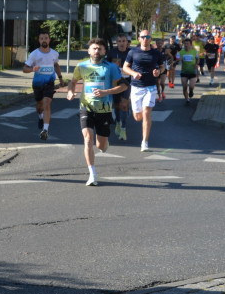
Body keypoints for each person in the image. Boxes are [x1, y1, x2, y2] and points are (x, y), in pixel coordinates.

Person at [67, 38, 128, 186]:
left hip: (105, 110)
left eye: (100, 49)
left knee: (101, 145)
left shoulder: (111, 67)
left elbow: (124, 86)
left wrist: (105, 92)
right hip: (86, 107)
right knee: (87, 139)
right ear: (88, 50)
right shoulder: (81, 66)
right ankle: (92, 174)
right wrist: (70, 92)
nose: (96, 51)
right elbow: (73, 82)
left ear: (104, 52)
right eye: (94, 48)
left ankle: (104, 144)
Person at [122, 29, 166, 152]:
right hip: (136, 86)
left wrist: (159, 71)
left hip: (150, 87)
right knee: (137, 117)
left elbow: (162, 67)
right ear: (139, 38)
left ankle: (144, 142)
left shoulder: (156, 53)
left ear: (150, 38)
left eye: (147, 37)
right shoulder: (133, 52)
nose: (145, 39)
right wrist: (133, 73)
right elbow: (125, 67)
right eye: (143, 37)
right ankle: (135, 111)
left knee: (146, 113)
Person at [22, 29, 65, 140]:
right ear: (39, 40)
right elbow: (24, 69)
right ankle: (40, 117)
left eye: (46, 38)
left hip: (49, 83)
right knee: (39, 106)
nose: (44, 40)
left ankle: (45, 129)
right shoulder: (34, 54)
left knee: (47, 104)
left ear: (49, 40)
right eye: (42, 38)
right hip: (37, 83)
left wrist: (60, 78)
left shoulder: (54, 53)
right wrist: (32, 69)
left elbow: (56, 65)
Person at [107, 33, 132, 141]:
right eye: (119, 41)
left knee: (124, 104)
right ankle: (117, 121)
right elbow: (106, 66)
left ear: (127, 42)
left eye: (123, 41)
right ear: (116, 43)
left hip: (127, 82)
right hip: (115, 82)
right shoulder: (112, 52)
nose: (121, 43)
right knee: (117, 105)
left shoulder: (131, 53)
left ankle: (123, 129)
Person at [178, 35, 199, 104]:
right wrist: (177, 60)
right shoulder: (181, 52)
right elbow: (178, 59)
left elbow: (197, 59)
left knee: (191, 86)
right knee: (184, 88)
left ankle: (191, 91)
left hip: (192, 71)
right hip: (184, 72)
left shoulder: (194, 52)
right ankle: (187, 99)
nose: (186, 45)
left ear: (190, 44)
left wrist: (196, 64)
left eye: (187, 43)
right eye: (185, 43)